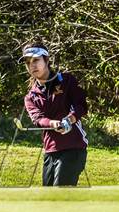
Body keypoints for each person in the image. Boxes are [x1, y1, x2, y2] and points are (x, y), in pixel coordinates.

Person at [20, 42, 88, 186]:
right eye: (28, 62)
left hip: (73, 148)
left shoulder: (66, 80)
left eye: (36, 60)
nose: (32, 65)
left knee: (61, 193)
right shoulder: (30, 96)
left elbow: (81, 106)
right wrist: (53, 123)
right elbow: (38, 119)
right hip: (50, 150)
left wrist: (70, 119)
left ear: (46, 60)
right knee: (49, 198)